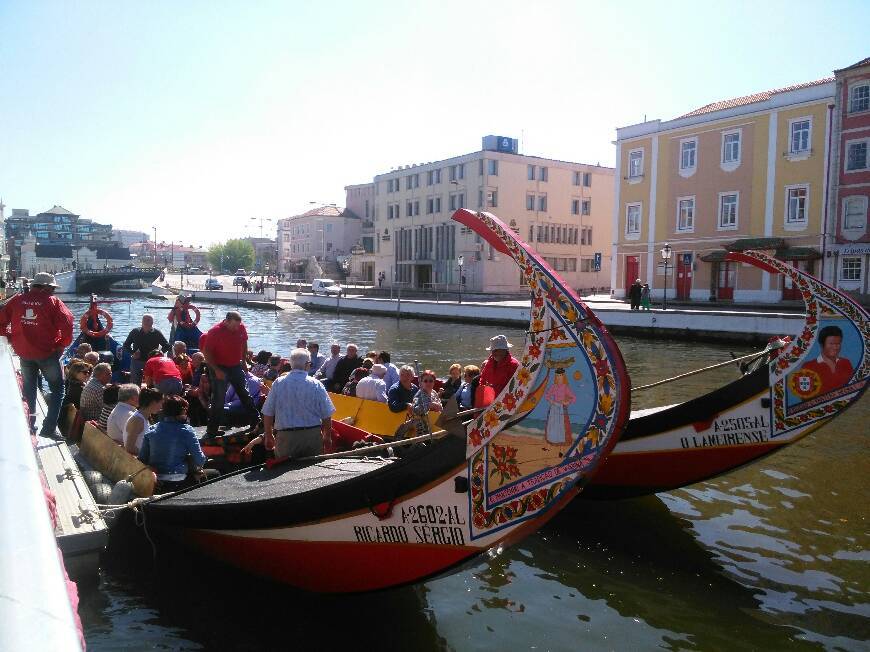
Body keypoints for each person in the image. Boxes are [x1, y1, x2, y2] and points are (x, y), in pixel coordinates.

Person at [0, 272, 74, 438]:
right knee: (58, 389)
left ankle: (29, 426)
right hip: (47, 353)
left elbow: (1, 321)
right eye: (52, 288)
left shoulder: (17, 300)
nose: (53, 292)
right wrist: (61, 344)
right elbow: (68, 323)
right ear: (46, 287)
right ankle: (48, 429)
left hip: (24, 354)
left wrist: (12, 338)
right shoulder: (53, 302)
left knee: (29, 390)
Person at [261, 348, 335, 459]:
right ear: (307, 364)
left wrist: (269, 435)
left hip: (286, 438)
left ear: (291, 364)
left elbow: (268, 412)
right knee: (312, 472)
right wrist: (327, 436)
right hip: (312, 436)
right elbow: (326, 414)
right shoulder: (316, 384)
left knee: (285, 471)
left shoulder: (278, 383)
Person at [200, 311, 259, 435]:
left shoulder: (241, 328)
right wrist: (216, 370)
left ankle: (256, 421)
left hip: (235, 365)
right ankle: (212, 429)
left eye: (238, 326)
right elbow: (207, 352)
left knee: (244, 393)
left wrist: (244, 360)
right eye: (234, 326)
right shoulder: (215, 331)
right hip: (219, 366)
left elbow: (244, 342)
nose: (236, 328)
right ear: (226, 322)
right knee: (219, 398)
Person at [138, 395, 210, 492]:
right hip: (178, 478)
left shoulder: (152, 429)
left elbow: (142, 459)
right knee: (214, 473)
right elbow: (200, 460)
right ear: (182, 411)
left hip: (155, 479)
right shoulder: (187, 430)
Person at [795, 325, 856, 396]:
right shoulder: (808, 367)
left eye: (838, 344)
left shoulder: (846, 363)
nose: (835, 347)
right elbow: (804, 395)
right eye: (831, 344)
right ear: (822, 345)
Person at [123, 315, 169, 384]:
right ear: (141, 321)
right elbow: (126, 345)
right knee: (135, 382)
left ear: (152, 322)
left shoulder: (157, 333)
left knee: (152, 383)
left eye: (148, 320)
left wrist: (159, 353)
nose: (146, 322)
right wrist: (132, 353)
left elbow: (167, 345)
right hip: (137, 360)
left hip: (152, 361)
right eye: (145, 320)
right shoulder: (135, 331)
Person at [124, 387, 163, 455]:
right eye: (160, 403)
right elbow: (129, 447)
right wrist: (149, 455)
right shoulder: (137, 421)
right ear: (153, 402)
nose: (161, 407)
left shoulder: (143, 417)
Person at [544, 368, 576, 445]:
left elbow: (574, 397)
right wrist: (551, 401)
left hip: (562, 408)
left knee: (561, 425)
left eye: (560, 376)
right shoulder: (553, 386)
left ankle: (560, 441)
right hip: (554, 408)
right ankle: (552, 440)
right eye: (557, 376)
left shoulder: (565, 387)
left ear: (563, 377)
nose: (559, 378)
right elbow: (547, 395)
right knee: (552, 424)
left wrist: (567, 402)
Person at [409, 369, 442, 436]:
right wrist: (429, 405)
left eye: (430, 381)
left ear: (434, 382)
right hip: (424, 428)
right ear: (421, 383)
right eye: (425, 381)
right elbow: (414, 410)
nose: (428, 383)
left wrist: (439, 407)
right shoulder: (419, 395)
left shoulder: (434, 393)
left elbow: (440, 406)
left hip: (437, 425)